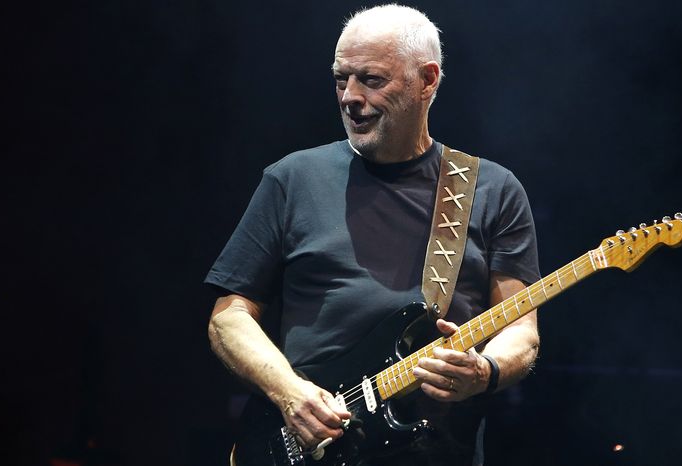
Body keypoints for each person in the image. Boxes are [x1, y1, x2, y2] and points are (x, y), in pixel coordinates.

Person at [206, 4, 540, 465]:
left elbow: (521, 330)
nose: (349, 96)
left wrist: (486, 369)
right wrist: (289, 394)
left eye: (372, 80)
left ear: (428, 81)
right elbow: (229, 318)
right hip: (308, 446)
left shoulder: (492, 190)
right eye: (341, 79)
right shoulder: (292, 179)